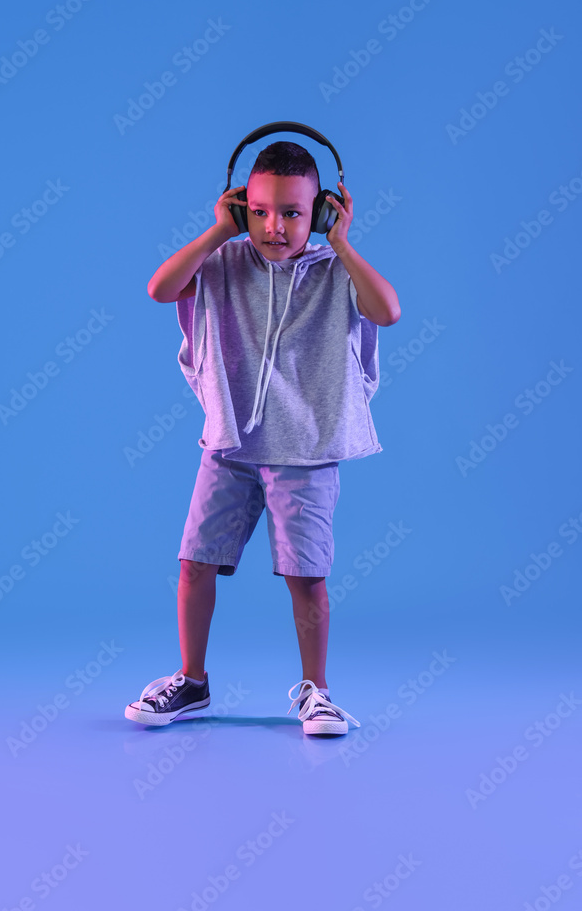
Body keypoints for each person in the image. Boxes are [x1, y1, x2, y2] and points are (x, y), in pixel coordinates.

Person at [124, 140, 401, 736]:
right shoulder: (223, 262)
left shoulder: (336, 270)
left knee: (307, 576)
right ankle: (191, 682)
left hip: (305, 449)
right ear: (240, 207)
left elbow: (388, 312)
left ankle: (317, 692)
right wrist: (213, 234)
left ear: (323, 213)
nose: (276, 225)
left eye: (295, 212)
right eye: (260, 210)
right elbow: (160, 289)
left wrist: (344, 244)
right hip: (230, 446)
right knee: (194, 562)